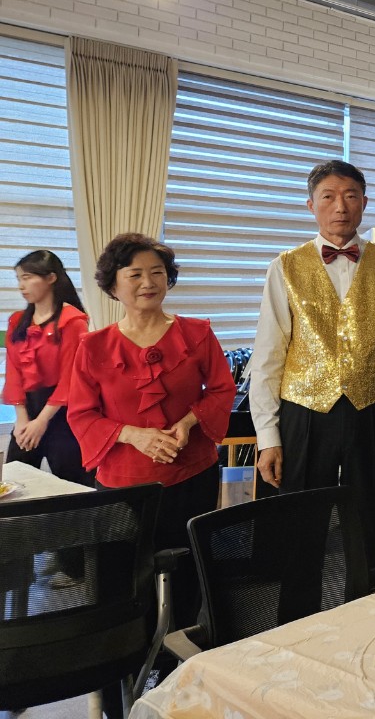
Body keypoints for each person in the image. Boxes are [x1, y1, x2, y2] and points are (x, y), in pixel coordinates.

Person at [249, 160, 375, 583]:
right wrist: (268, 437)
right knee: (301, 521)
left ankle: (366, 595)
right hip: (304, 411)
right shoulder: (284, 266)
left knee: (368, 519)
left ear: (364, 203)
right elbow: (268, 355)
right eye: (328, 196)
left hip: (372, 407)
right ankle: (301, 607)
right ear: (311, 205)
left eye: (350, 196)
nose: (340, 206)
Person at [66, 233, 235, 629]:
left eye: (157, 273)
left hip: (191, 475)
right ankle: (132, 654)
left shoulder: (196, 333)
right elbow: (81, 413)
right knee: (123, 577)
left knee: (190, 570)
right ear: (113, 285)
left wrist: (188, 422)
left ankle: (183, 647)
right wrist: (133, 434)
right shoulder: (93, 347)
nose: (148, 282)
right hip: (124, 485)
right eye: (135, 274)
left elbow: (222, 389)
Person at [5, 250, 93, 586]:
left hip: (65, 416)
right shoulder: (18, 321)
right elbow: (14, 372)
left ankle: (75, 567)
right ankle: (16, 569)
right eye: (19, 279)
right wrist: (22, 419)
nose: (22, 286)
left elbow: (72, 377)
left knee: (71, 490)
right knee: (14, 489)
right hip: (27, 413)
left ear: (51, 278)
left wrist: (42, 421)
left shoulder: (73, 320)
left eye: (28, 278)